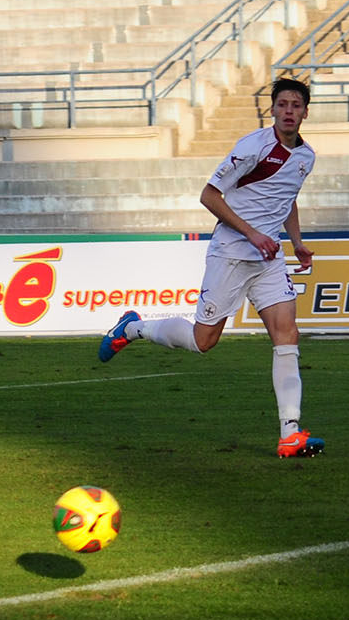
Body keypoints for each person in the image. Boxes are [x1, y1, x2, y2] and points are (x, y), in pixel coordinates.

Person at [98, 77, 323, 459]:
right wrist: (252, 234)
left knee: (287, 336)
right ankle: (132, 327)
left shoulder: (306, 156)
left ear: (305, 111)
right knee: (204, 342)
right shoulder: (254, 147)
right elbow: (208, 195)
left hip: (268, 259)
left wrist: (297, 242)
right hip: (233, 252)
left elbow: (287, 199)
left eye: (296, 105)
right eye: (282, 104)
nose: (289, 111)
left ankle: (290, 432)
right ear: (272, 109)